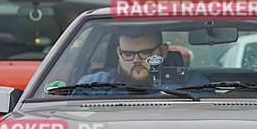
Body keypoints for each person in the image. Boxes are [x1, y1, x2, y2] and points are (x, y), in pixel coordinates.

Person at [76, 29, 208, 90]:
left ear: (163, 51)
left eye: (145, 53)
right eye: (128, 54)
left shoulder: (192, 86)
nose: (136, 60)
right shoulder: (94, 87)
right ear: (118, 53)